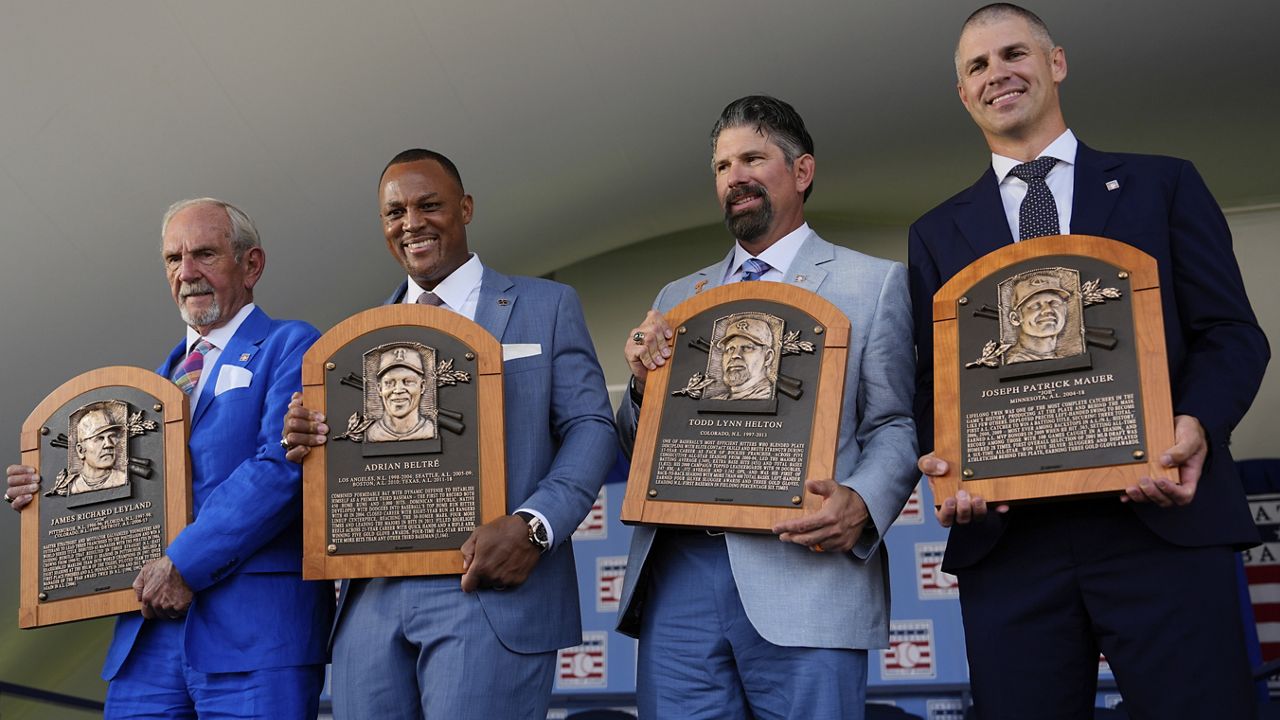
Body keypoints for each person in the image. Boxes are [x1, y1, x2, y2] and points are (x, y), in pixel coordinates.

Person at [908, 5, 1270, 718]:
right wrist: (949, 460)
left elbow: (1232, 334)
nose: (997, 74)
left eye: (1013, 53)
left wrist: (1194, 424)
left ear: (1056, 63)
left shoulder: (1163, 185)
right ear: (962, 94)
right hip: (1012, 544)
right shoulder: (935, 231)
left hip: (1160, 524)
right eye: (976, 66)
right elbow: (932, 382)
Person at [281, 148, 616, 719]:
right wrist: (309, 438)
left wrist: (534, 528)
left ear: (464, 208)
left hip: (489, 587)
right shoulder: (352, 344)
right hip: (373, 600)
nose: (411, 223)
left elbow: (591, 427)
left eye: (428, 205)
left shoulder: (547, 305)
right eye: (394, 213)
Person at [619, 95, 918, 719]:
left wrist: (862, 502)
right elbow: (635, 443)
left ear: (802, 171)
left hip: (804, 574)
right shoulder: (678, 297)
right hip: (680, 580)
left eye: (753, 157)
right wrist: (643, 384)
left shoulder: (874, 281)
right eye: (723, 166)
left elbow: (894, 422)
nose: (736, 177)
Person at [5, 198, 333, 718]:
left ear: (252, 265)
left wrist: (184, 564)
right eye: (173, 259)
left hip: (254, 636)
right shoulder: (152, 385)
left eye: (204, 254)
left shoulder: (292, 345)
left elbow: (279, 469)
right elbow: (119, 491)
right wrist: (46, 493)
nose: (187, 273)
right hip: (147, 640)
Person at [50, 404, 129, 496]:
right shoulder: (72, 487)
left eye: (112, 436)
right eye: (99, 438)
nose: (109, 444)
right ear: (80, 450)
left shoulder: (123, 478)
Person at [366, 346, 436, 442]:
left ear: (422, 386)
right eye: (389, 383)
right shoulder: (371, 433)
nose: (398, 390)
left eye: (408, 381)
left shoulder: (431, 430)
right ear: (379, 389)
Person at [1003, 272, 1070, 363]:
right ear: (1015, 318)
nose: (1048, 310)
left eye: (1054, 303)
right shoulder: (1016, 362)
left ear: (1065, 311)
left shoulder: (1062, 359)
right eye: (1035, 305)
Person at [706, 316, 777, 400]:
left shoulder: (768, 397)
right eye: (730, 349)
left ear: (768, 357)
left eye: (747, 348)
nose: (734, 355)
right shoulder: (716, 400)